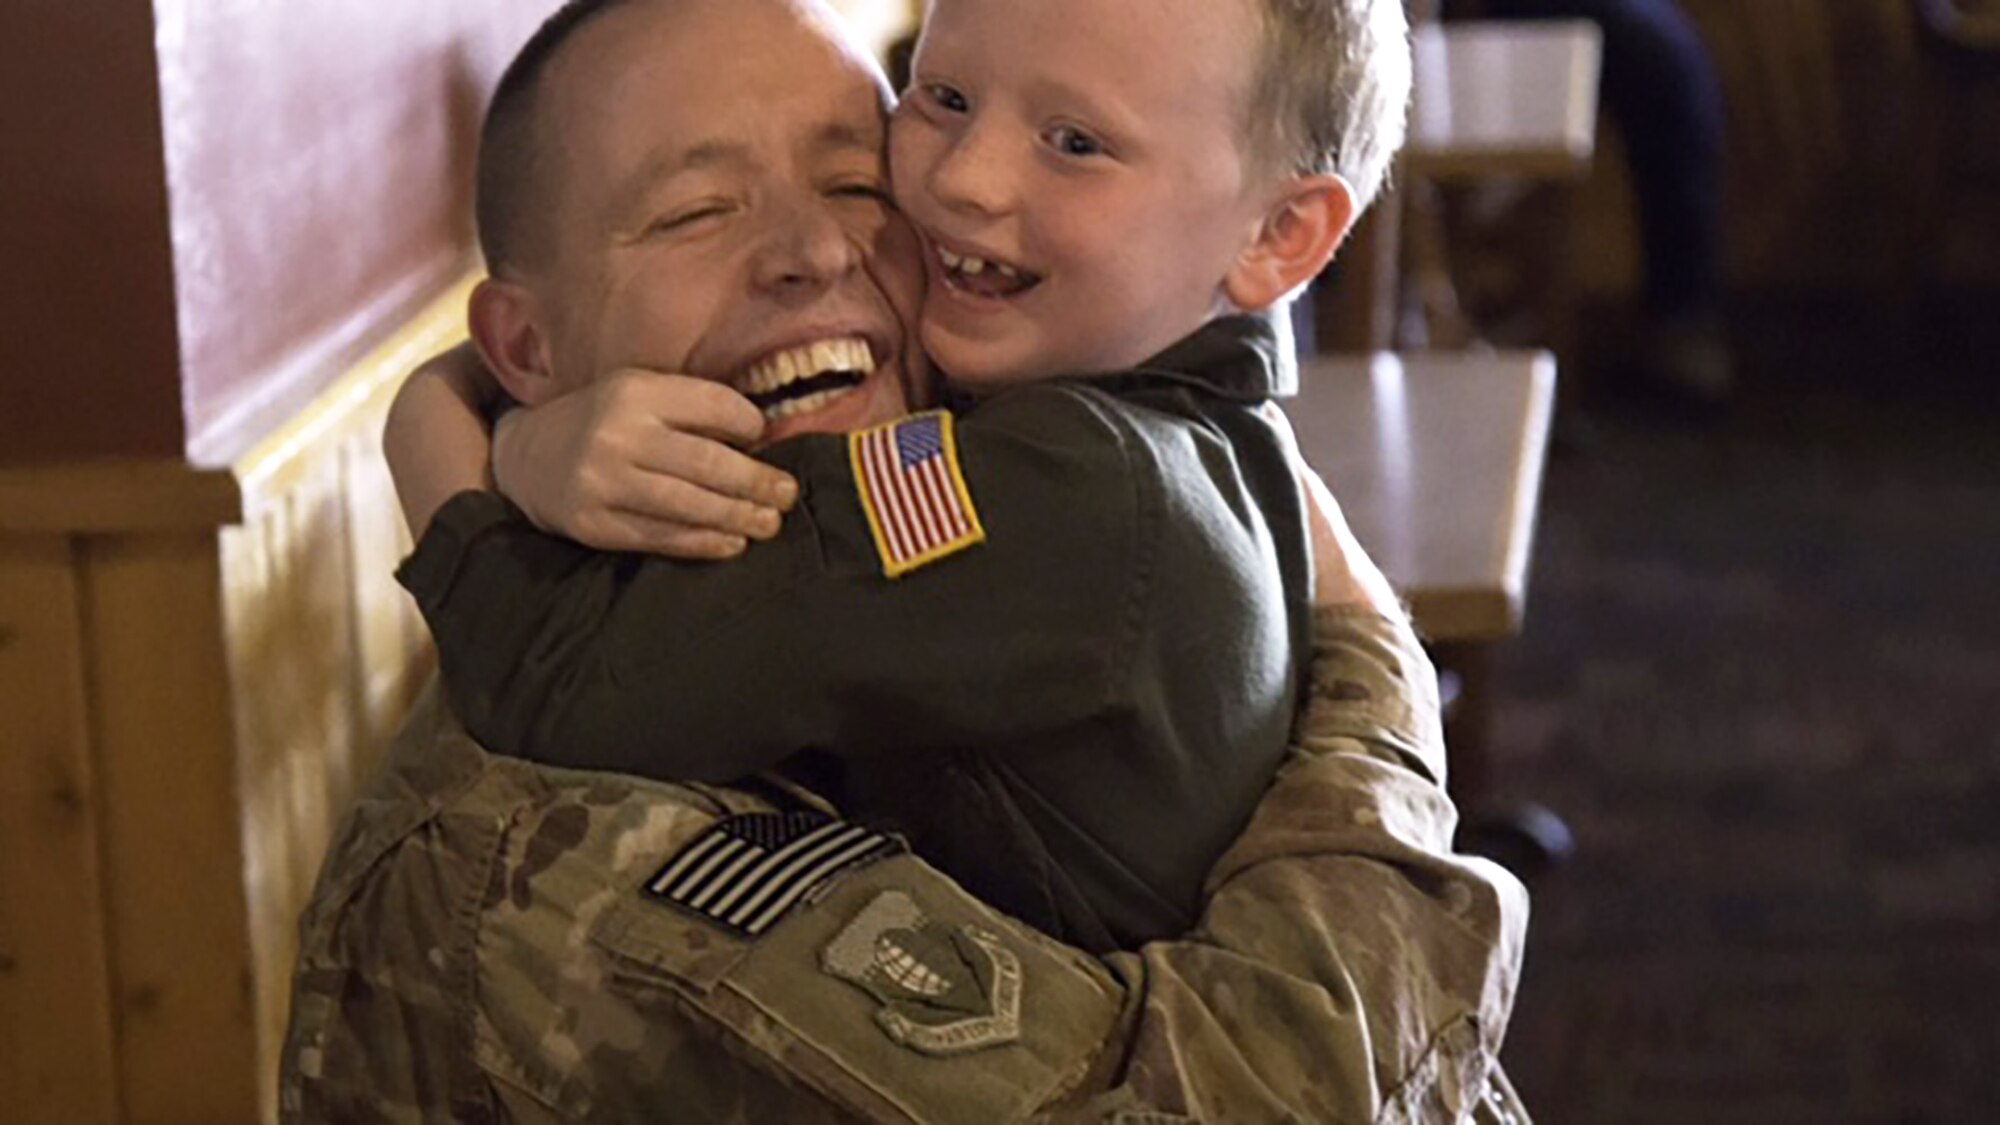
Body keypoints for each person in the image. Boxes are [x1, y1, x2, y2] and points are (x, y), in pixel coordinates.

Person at [281, 0, 1534, 1118]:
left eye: (851, 185)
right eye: (693, 212)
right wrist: (475, 423)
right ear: (528, 348)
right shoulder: (563, 854)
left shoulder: (1036, 486)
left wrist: (451, 428)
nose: (819, 252)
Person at [392, 0, 1411, 955]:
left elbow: (557, 679)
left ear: (1278, 236)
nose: (965, 182)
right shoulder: (1170, 413)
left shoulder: (1051, 490)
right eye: (945, 101)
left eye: (1075, 143)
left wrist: (437, 424)